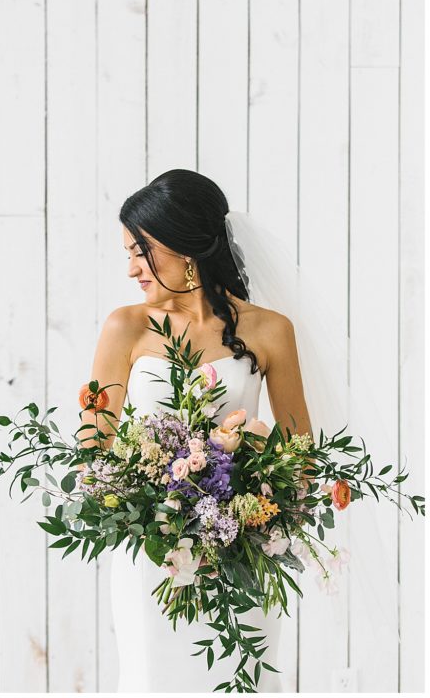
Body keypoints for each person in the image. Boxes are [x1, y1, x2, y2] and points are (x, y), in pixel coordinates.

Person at [80, 169, 311, 692]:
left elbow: (302, 454)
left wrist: (250, 496)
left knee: (242, 678)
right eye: (128, 254)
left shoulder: (271, 330)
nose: (132, 269)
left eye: (142, 251)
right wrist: (149, 495)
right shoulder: (126, 327)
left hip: (243, 555)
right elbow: (92, 449)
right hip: (154, 556)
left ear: (184, 247)